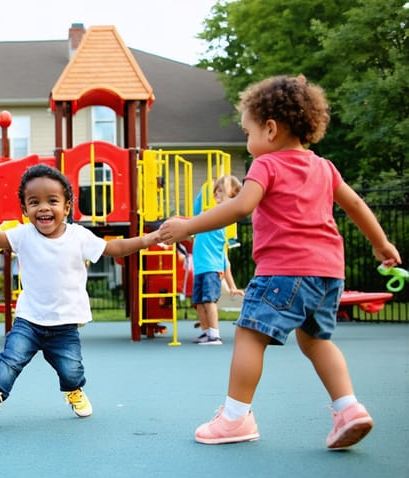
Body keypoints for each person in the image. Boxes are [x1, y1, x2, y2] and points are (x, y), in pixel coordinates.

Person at [158, 75, 401, 449]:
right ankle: (348, 407)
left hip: (283, 270)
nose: (248, 141)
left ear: (270, 129)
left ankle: (235, 418)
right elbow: (354, 204)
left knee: (250, 335)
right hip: (327, 274)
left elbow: (240, 207)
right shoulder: (324, 167)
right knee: (317, 341)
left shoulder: (266, 165)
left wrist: (188, 226)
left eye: (247, 132)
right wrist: (381, 244)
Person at [0, 164, 161, 417]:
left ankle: (74, 390)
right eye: (34, 202)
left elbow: (114, 249)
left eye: (53, 201)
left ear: (67, 207)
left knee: (71, 369)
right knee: (11, 358)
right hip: (29, 319)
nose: (44, 207)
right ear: (26, 210)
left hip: (65, 323)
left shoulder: (79, 237)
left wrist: (147, 240)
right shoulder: (24, 235)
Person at [190, 175, 244, 345]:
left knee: (208, 300)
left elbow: (223, 260)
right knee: (198, 302)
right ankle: (206, 332)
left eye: (221, 192)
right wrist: (207, 187)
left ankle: (214, 334)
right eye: (216, 192)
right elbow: (197, 208)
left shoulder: (223, 218)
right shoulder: (207, 216)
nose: (217, 195)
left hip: (211, 268)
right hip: (200, 268)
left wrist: (231, 284)